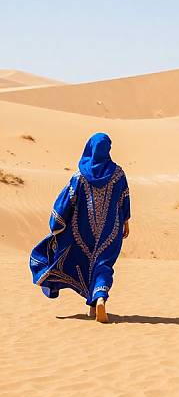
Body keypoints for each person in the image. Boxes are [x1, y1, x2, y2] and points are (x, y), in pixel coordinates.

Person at [30, 133, 130, 323]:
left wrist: (57, 225)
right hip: (111, 230)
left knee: (85, 263)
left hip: (82, 231)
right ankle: (99, 299)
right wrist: (125, 222)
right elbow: (124, 200)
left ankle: (95, 304)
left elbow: (66, 202)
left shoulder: (80, 176)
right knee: (103, 265)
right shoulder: (118, 174)